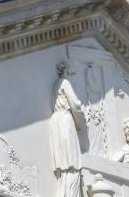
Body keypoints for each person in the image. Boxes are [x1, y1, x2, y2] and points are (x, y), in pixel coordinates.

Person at [48, 62, 88, 197]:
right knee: (71, 161)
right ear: (68, 72)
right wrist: (82, 123)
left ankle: (63, 189)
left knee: (62, 160)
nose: (74, 77)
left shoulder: (56, 84)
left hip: (56, 120)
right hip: (65, 120)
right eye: (74, 74)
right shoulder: (65, 82)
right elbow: (75, 104)